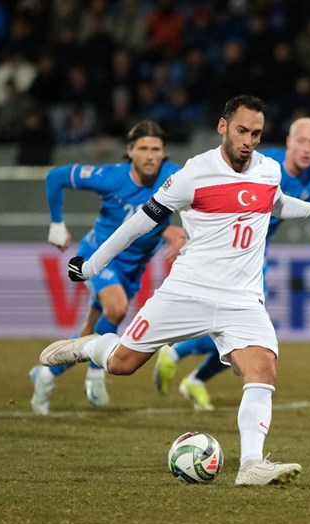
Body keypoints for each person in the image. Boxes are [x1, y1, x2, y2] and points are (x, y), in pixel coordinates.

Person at [37, 95, 310, 486]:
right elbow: (142, 222)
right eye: (242, 130)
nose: (248, 140)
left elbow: (277, 204)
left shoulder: (269, 170)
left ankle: (251, 466)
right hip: (187, 291)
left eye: (256, 133)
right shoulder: (194, 174)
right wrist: (91, 264)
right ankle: (87, 346)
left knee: (263, 369)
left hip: (242, 298)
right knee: (123, 364)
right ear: (222, 127)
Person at [151, 116, 310, 410]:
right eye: (301, 141)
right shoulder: (264, 163)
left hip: (254, 258)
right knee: (240, 330)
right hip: (222, 252)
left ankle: (193, 376)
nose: (307, 148)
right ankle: (177, 357)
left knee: (247, 333)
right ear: (289, 142)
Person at [29, 120, 184, 415]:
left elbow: (192, 205)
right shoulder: (110, 177)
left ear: (164, 154)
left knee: (89, 333)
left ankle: (46, 375)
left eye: (156, 150)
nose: (150, 156)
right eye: (143, 149)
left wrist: (180, 233)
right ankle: (96, 374)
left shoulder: (175, 175)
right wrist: (57, 224)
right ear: (129, 151)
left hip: (133, 268)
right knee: (116, 308)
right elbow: (55, 177)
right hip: (99, 258)